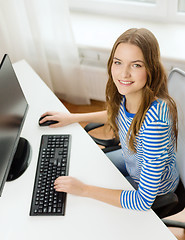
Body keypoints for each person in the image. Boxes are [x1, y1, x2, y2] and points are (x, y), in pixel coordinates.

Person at [40, 28, 180, 211]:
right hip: (133, 160)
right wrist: (72, 117)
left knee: (89, 202)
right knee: (85, 169)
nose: (123, 74)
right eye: (118, 62)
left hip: (155, 189)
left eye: (136, 65)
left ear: (151, 68)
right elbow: (117, 114)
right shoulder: (132, 93)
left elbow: (142, 201)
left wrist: (85, 190)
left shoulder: (155, 124)